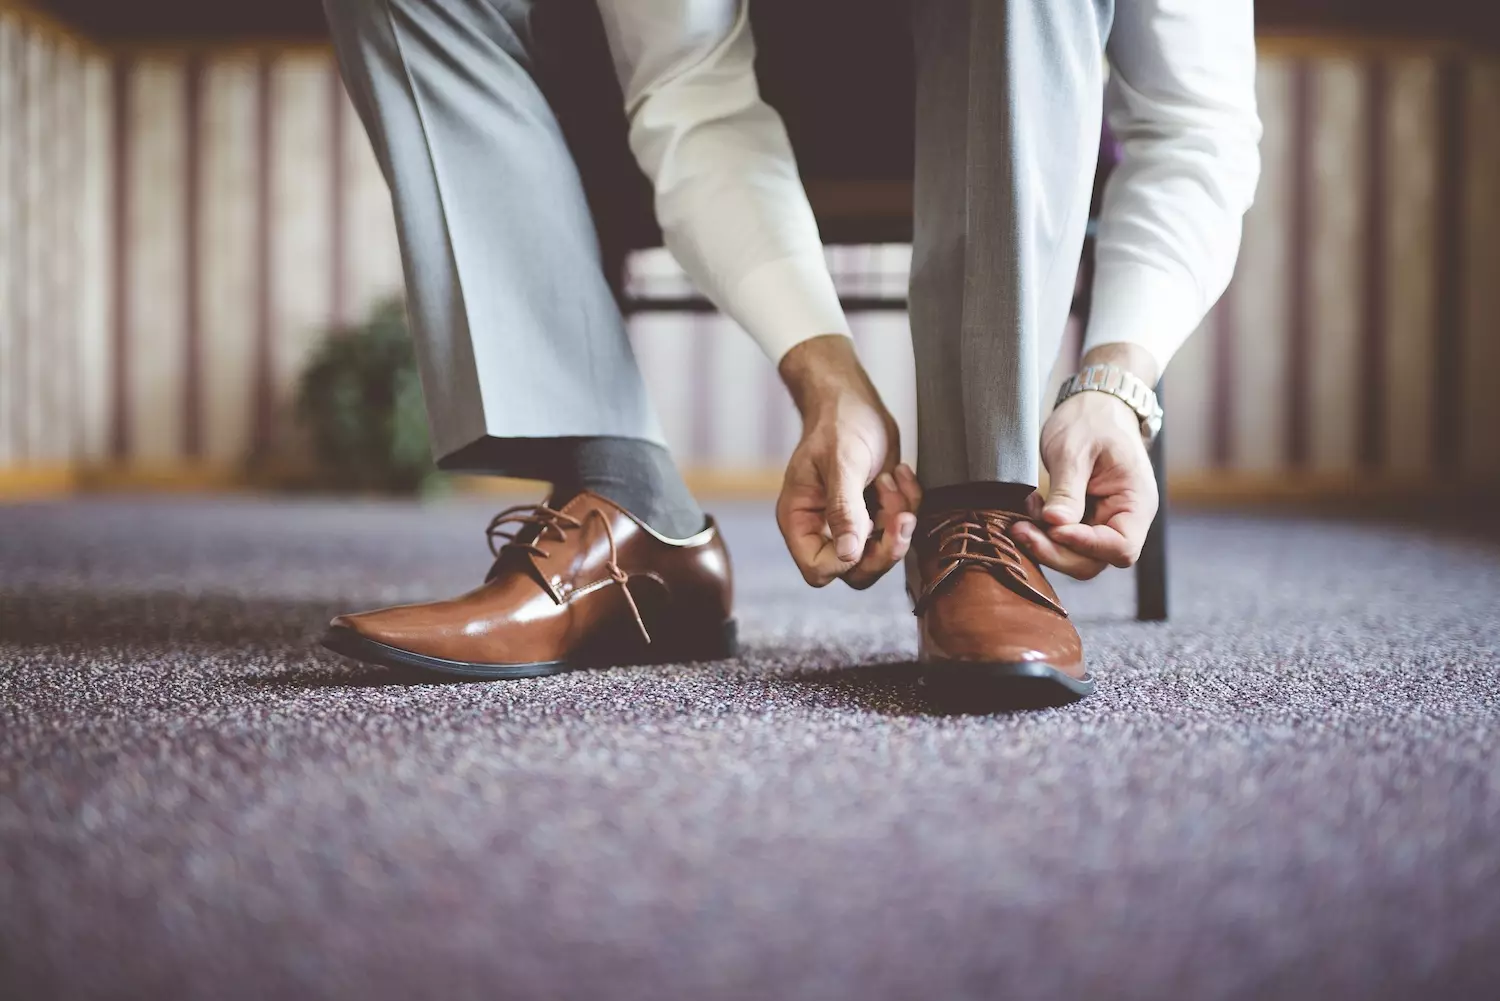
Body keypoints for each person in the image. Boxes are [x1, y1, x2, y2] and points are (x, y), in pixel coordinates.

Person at [318, 0, 1260, 702]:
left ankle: (981, 508)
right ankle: (629, 511)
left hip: (1006, 78)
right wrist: (826, 378)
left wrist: (1116, 381)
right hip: (709, 75)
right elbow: (693, 93)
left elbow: (1194, 123)